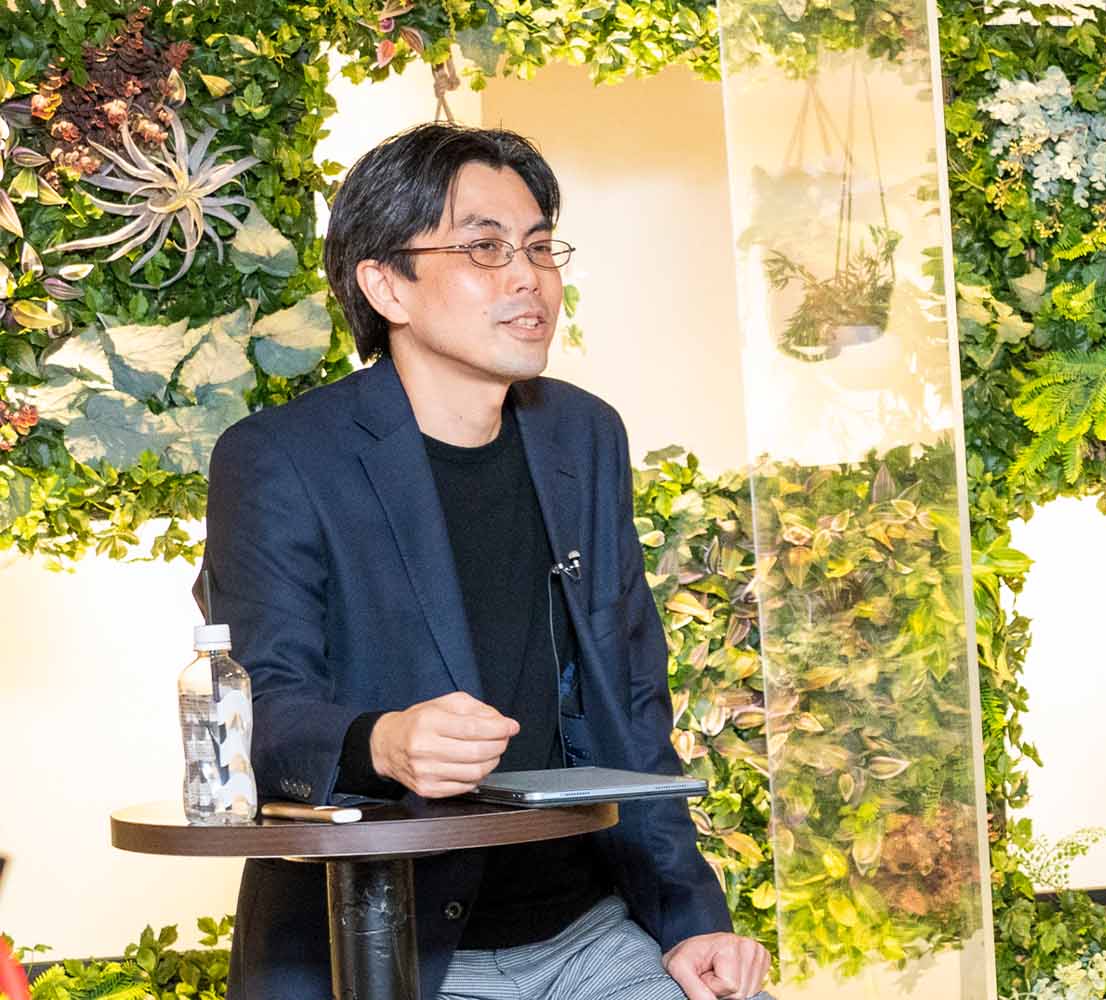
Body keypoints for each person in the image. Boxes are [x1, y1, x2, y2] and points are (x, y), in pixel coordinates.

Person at [198, 123, 771, 1000]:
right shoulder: (280, 458)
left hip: (588, 932)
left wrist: (693, 917)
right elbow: (255, 707)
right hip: (397, 947)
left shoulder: (584, 433)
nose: (527, 277)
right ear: (386, 284)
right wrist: (379, 742)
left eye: (540, 247)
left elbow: (630, 701)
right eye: (485, 247)